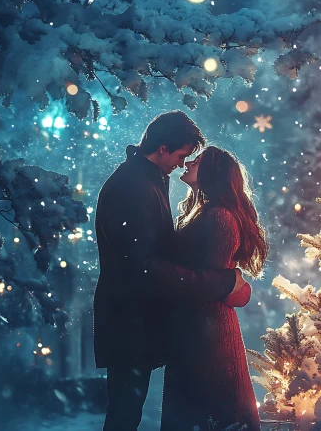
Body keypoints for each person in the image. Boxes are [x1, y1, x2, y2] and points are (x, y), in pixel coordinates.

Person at [93, 112, 249, 431]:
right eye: (180, 155)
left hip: (137, 321)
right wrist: (224, 282)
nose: (182, 163)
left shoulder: (147, 179)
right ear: (163, 148)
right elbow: (145, 268)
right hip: (130, 323)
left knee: (126, 413)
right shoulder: (133, 186)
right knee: (124, 414)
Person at [160, 146, 268, 431]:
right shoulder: (204, 212)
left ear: (212, 173)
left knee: (211, 413)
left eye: (197, 161)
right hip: (197, 330)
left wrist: (157, 271)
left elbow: (207, 282)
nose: (188, 163)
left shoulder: (220, 217)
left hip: (208, 335)